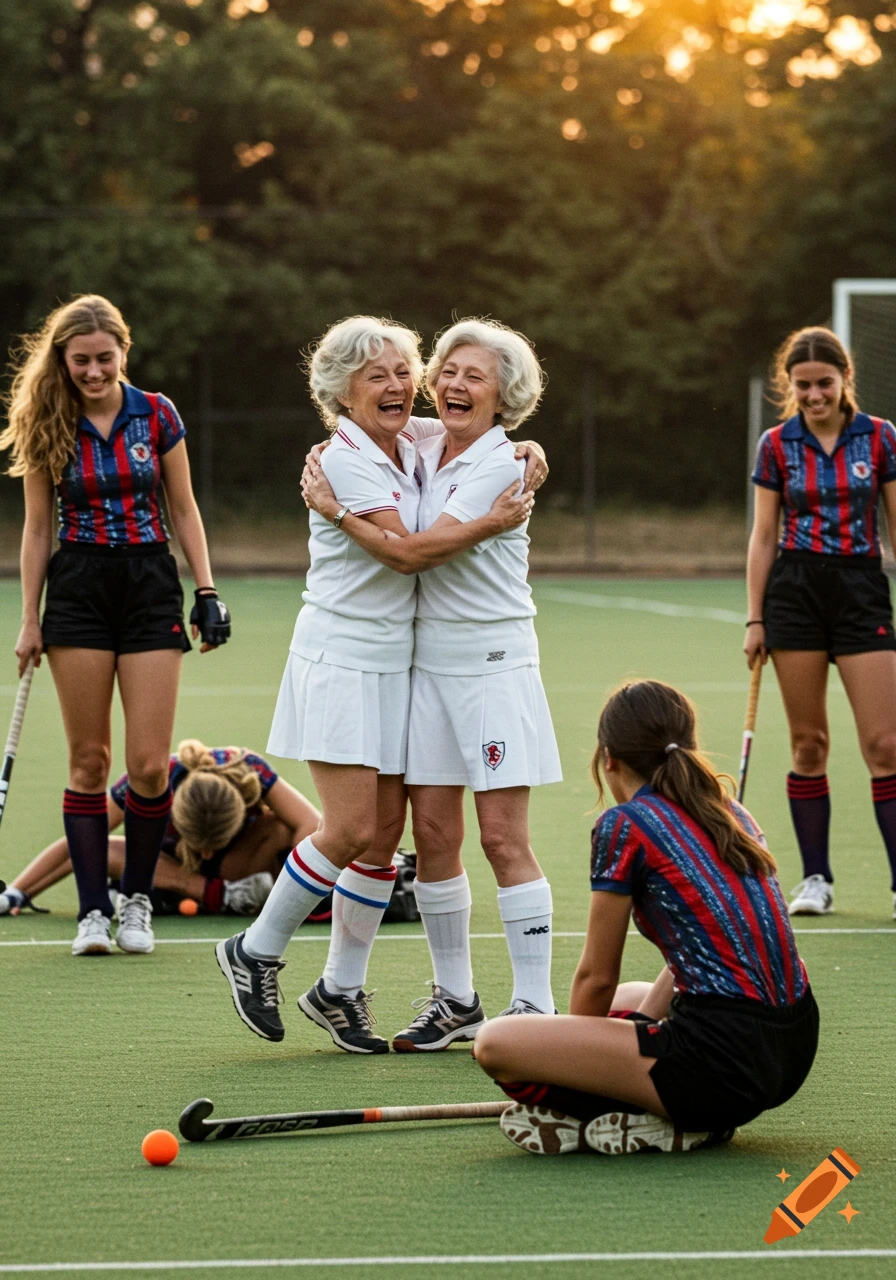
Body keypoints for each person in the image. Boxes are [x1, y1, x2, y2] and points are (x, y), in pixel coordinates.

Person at [216, 315, 544, 1053]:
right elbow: (404, 553)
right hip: (345, 659)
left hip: (417, 662)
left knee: (389, 831)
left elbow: (494, 436)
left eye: (405, 371)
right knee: (357, 828)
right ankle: (257, 950)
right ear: (340, 392)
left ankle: (340, 990)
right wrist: (336, 509)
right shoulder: (349, 459)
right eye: (377, 376)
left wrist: (528, 446)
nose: (401, 386)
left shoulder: (417, 441)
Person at [302, 318, 562, 1051]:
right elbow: (364, 426)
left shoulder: (498, 465)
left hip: (491, 670)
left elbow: (413, 552)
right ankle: (457, 1002)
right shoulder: (419, 441)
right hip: (425, 670)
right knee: (435, 835)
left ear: (504, 396)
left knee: (503, 837)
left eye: (474, 377)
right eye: (446, 370)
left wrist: (335, 512)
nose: (452, 384)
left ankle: (535, 1008)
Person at [471, 680, 818, 1157]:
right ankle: (666, 1111)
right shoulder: (729, 809)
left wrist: (573, 1058)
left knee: (496, 1043)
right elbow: (699, 956)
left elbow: (595, 976)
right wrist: (631, 1028)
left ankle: (666, 1114)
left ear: (608, 758)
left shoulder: (624, 826)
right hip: (794, 1046)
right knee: (630, 999)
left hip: (722, 1066)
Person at [0, 295, 230, 957]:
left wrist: (205, 588)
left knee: (150, 767)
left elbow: (183, 509)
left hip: (150, 583)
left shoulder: (157, 414)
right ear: (63, 361)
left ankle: (136, 902)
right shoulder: (50, 418)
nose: (94, 372)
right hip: (77, 590)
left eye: (104, 358)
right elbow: (38, 527)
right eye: (81, 361)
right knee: (89, 761)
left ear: (123, 352)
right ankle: (93, 912)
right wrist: (27, 619)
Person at [746, 326, 896, 919]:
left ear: (845, 380)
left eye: (824, 384)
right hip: (795, 593)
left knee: (884, 745)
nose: (814, 395)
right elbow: (762, 537)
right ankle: (816, 879)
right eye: (803, 386)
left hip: (861, 589)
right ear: (791, 386)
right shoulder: (777, 444)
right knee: (809, 744)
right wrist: (755, 618)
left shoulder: (881, 438)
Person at [0, 739, 320, 918]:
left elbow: (313, 825)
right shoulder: (154, 779)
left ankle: (189, 895)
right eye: (198, 843)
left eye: (212, 843)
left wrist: (301, 895)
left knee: (281, 827)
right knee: (96, 844)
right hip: (166, 863)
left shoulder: (248, 768)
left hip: (239, 864)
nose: (205, 853)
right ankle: (212, 895)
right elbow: (82, 839)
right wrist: (18, 892)